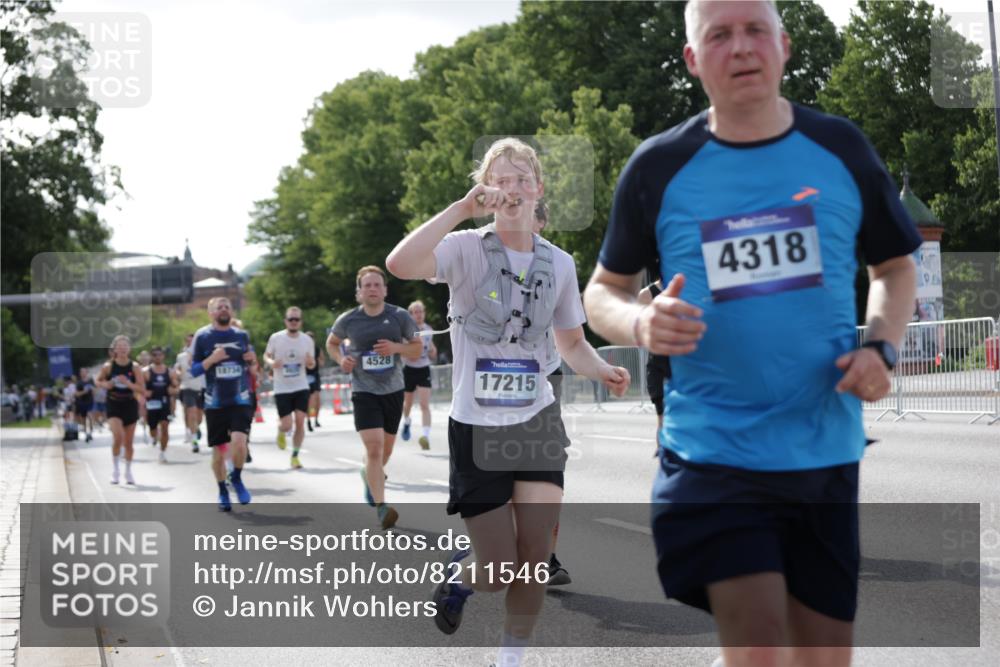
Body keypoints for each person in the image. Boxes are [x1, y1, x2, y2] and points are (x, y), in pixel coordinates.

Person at [582, 2, 921, 666]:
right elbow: (602, 292)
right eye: (719, 35)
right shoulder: (658, 166)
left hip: (822, 447)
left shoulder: (840, 148)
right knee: (760, 643)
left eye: (755, 30)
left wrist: (881, 347)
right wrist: (640, 322)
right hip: (712, 450)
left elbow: (895, 267)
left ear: (783, 45)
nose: (741, 47)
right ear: (692, 58)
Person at [386, 137, 629, 666]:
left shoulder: (559, 263)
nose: (512, 189)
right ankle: (460, 578)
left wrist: (602, 368)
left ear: (538, 189)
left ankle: (510, 659)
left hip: (536, 421)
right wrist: (460, 209)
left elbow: (571, 343)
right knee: (497, 570)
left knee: (535, 558)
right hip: (478, 426)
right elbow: (400, 263)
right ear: (486, 188)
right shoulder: (464, 248)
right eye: (500, 180)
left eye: (522, 179)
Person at [326, 266, 422, 530]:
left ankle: (367, 472)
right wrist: (341, 359)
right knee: (375, 448)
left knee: (385, 451)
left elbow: (417, 348)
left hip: (393, 390)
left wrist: (396, 348)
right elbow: (332, 343)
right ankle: (382, 507)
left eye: (377, 284)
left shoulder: (400, 316)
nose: (372, 289)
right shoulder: (348, 320)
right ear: (359, 292)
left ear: (385, 290)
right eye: (366, 285)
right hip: (363, 390)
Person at [531, 198, 571, 587]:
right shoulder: (482, 254)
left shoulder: (558, 264)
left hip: (546, 374)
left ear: (542, 223)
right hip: (494, 382)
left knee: (551, 464)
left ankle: (547, 557)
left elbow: (571, 333)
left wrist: (599, 367)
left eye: (531, 215)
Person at [190, 297, 256, 512]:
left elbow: (251, 365)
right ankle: (222, 490)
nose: (224, 309)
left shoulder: (241, 335)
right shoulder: (202, 336)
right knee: (219, 453)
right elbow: (194, 370)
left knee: (240, 442)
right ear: (211, 313)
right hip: (215, 402)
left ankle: (236, 477)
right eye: (219, 307)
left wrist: (251, 359)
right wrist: (212, 359)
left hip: (240, 398)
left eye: (227, 306)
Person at [264, 306, 315, 469]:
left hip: (301, 386)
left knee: (300, 421)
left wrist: (310, 362)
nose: (293, 322)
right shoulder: (276, 338)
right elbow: (266, 355)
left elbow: (312, 363)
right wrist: (272, 363)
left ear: (301, 322)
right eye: (290, 319)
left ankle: (295, 456)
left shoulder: (307, 340)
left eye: (296, 319)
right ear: (285, 321)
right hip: (282, 387)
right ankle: (281, 431)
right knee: (287, 425)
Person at [95, 336, 145, 484]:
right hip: (113, 403)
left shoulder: (135, 367)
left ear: (129, 349)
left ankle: (128, 471)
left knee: (128, 443)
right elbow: (97, 381)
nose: (122, 348)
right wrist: (107, 384)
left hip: (130, 404)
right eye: (119, 346)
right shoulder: (108, 366)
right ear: (114, 349)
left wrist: (128, 383)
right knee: (118, 437)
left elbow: (141, 388)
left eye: (125, 346)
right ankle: (115, 470)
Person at [637, 279, 671, 456]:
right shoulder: (646, 295)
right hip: (659, 365)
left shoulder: (689, 286)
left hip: (684, 365)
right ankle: (664, 459)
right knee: (663, 418)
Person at [400, 300, 437, 450]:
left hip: (423, 369)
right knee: (408, 403)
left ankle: (425, 436)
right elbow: (403, 351)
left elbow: (433, 351)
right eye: (415, 312)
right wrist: (412, 353)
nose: (419, 315)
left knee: (424, 404)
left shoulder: (428, 329)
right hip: (409, 369)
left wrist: (432, 351)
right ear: (410, 315)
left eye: (421, 311)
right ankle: (407, 421)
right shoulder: (406, 330)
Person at [144, 346, 179, 463]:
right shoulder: (145, 372)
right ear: (151, 356)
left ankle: (162, 452)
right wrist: (144, 393)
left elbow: (177, 387)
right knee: (152, 429)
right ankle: (154, 436)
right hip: (151, 403)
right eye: (155, 355)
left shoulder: (170, 372)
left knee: (165, 427)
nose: (157, 357)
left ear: (163, 356)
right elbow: (139, 388)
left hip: (165, 402)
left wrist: (173, 390)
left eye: (159, 355)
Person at [175, 333, 207, 452]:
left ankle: (195, 428)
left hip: (201, 387)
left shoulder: (204, 354)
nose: (191, 343)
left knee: (199, 417)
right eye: (189, 341)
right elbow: (177, 369)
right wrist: (178, 374)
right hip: (188, 387)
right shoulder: (181, 356)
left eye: (193, 341)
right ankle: (194, 441)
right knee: (191, 413)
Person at [305, 331, 325, 431]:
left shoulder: (317, 349)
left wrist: (316, 360)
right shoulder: (301, 350)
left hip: (314, 375)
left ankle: (316, 419)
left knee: (316, 399)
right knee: (308, 400)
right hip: (304, 376)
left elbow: (322, 362)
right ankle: (308, 419)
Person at [74, 368, 96, 442]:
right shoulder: (79, 383)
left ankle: (91, 431)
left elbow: (95, 391)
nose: (83, 373)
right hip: (82, 402)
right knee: (83, 419)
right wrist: (84, 391)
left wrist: (93, 390)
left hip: (90, 401)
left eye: (84, 372)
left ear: (87, 373)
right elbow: (76, 394)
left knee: (89, 415)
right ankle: (86, 433)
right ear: (80, 374)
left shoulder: (91, 381)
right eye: (81, 372)